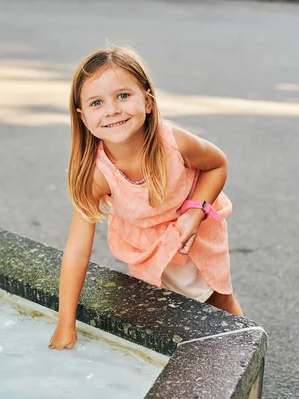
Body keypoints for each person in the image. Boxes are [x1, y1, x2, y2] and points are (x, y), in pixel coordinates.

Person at [49, 46, 243, 350]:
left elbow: (217, 164)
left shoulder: (174, 143)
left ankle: (243, 361)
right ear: (83, 117)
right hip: (148, 250)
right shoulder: (97, 176)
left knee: (219, 300)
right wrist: (65, 324)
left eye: (123, 96)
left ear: (148, 101)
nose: (112, 109)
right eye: (97, 103)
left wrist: (196, 211)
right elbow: (76, 250)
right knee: (166, 314)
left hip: (195, 235)